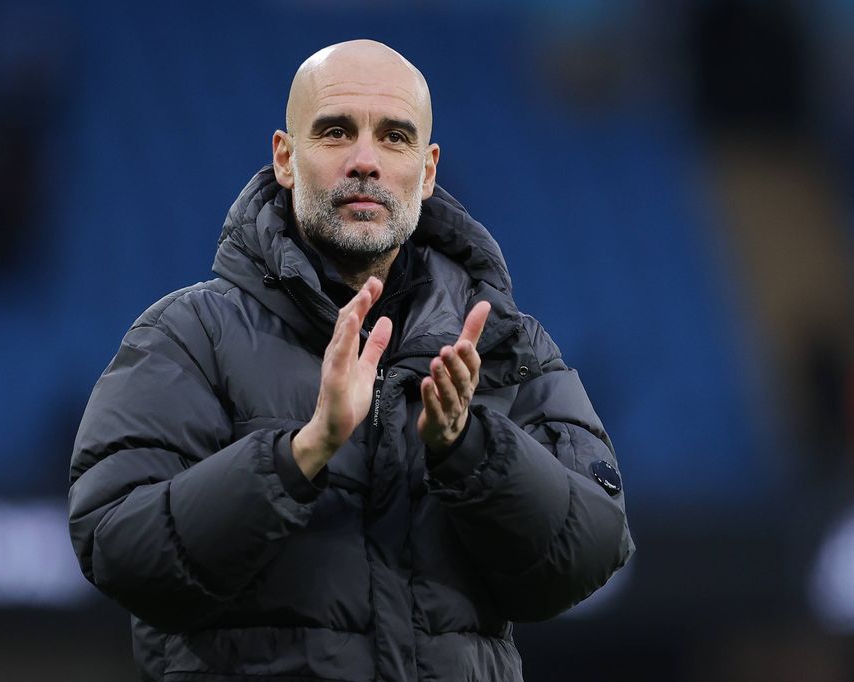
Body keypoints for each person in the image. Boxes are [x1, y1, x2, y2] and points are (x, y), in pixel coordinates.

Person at [68, 39, 634, 682]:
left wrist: (469, 449)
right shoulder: (189, 337)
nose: (365, 161)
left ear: (426, 170)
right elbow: (117, 546)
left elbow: (590, 550)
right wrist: (302, 452)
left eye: (394, 137)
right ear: (285, 157)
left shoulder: (505, 345)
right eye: (336, 132)